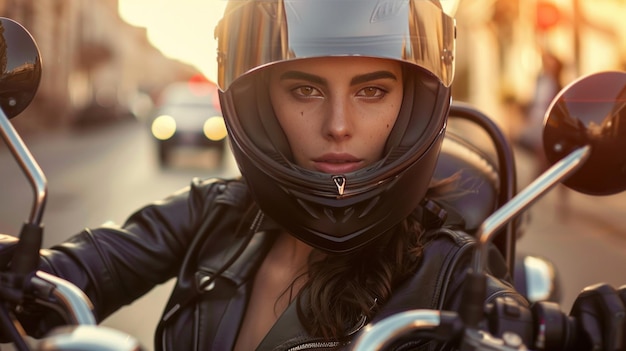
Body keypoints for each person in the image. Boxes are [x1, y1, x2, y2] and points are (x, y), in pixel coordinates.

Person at [5, 1, 626, 350]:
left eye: (372, 90)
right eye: (304, 88)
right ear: (259, 103)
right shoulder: (216, 213)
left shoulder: (452, 277)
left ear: (409, 106)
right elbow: (83, 265)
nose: (336, 125)